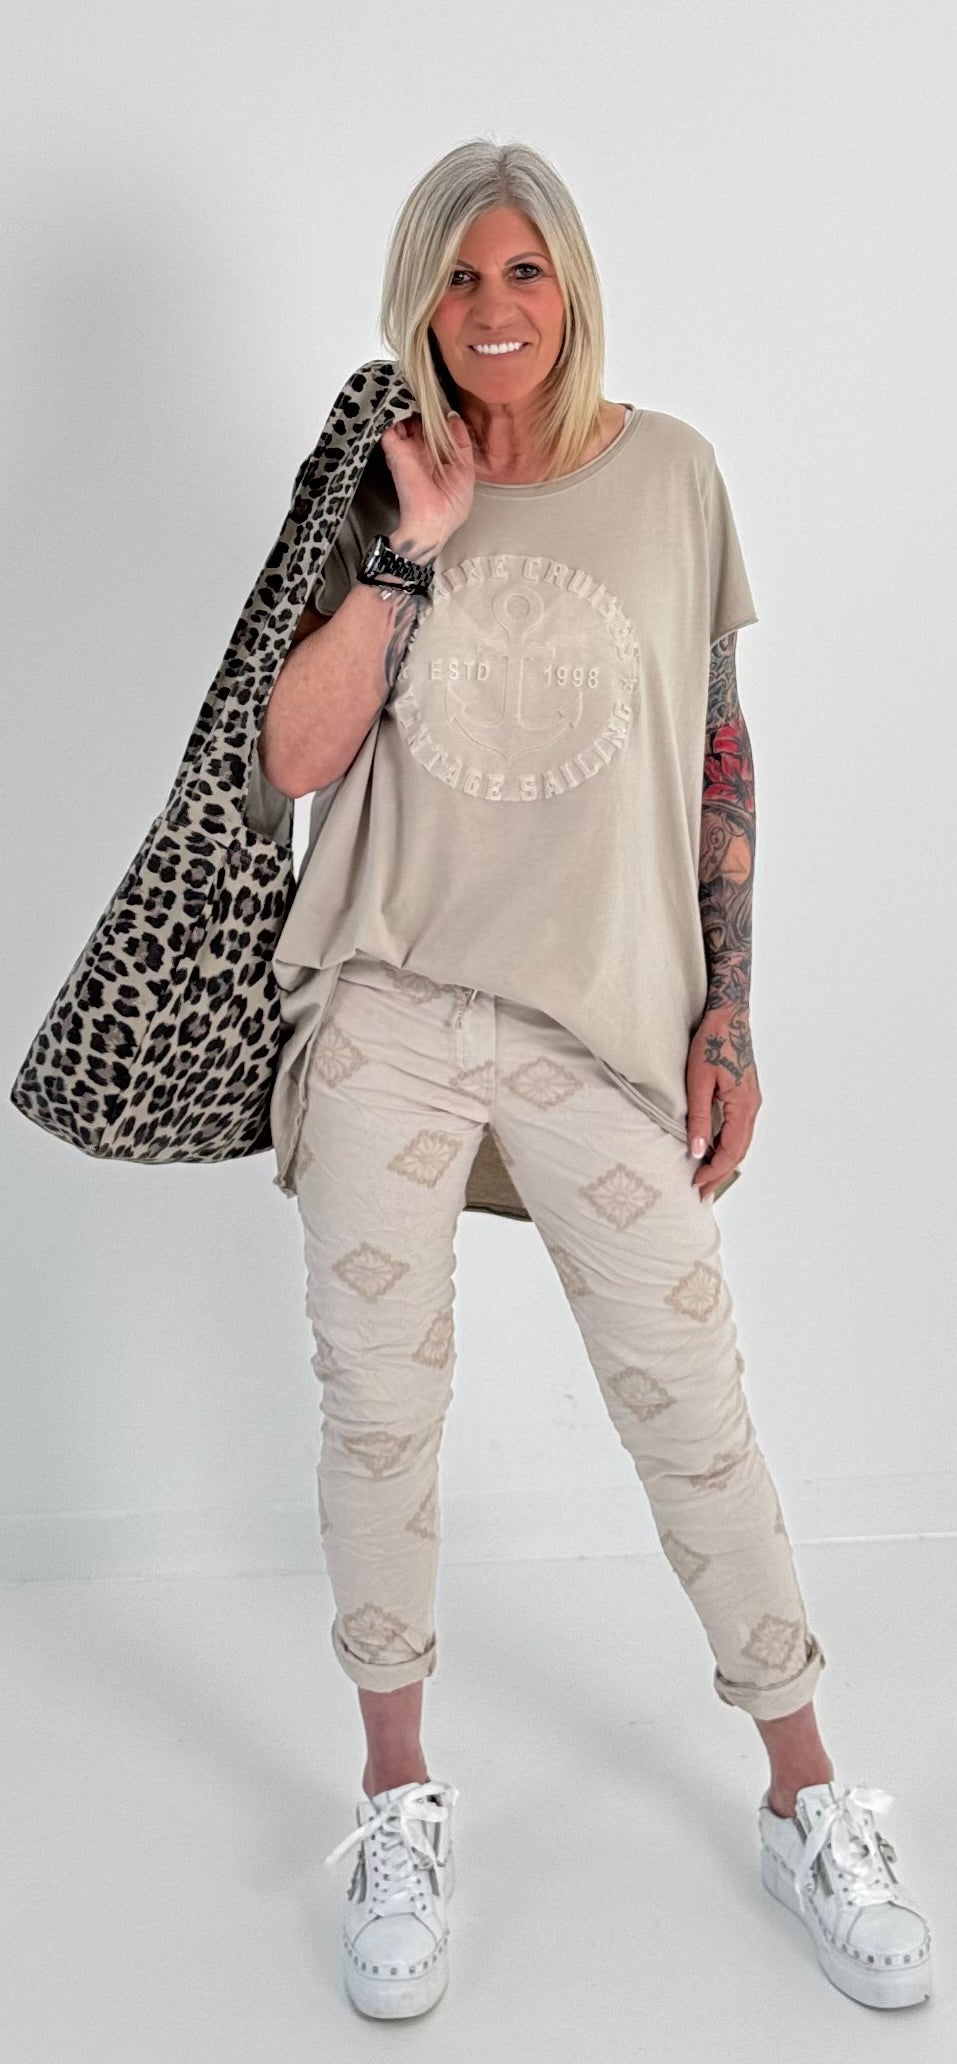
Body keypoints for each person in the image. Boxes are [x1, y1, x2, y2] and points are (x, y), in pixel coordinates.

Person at [257, 138, 932, 2022]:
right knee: (380, 1417)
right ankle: (396, 1801)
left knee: (691, 1411)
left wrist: (728, 1018)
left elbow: (720, 750)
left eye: (523, 271)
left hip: (600, 1022)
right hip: (386, 1006)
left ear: (570, 286)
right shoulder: (376, 476)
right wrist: (410, 546)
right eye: (460, 276)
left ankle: (806, 1796)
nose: (492, 309)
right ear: (420, 296)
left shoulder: (672, 473)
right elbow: (294, 757)